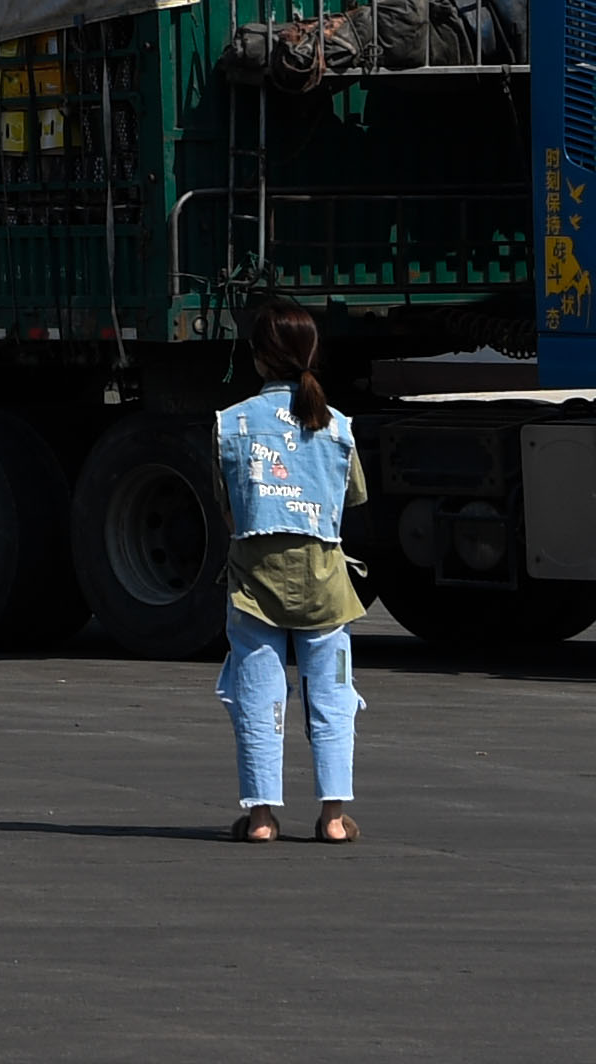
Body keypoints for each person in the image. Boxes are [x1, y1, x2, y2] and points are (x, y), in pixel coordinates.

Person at [216, 306, 363, 842]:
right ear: (311, 355)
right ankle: (332, 817)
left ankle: (260, 819)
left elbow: (228, 504)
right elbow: (353, 495)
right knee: (332, 698)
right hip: (325, 582)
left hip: (255, 583)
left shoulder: (230, 423)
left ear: (258, 358)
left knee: (257, 695)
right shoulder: (338, 426)